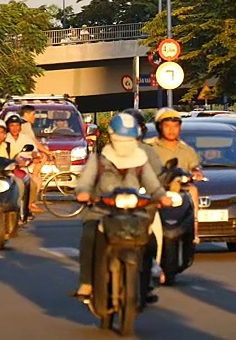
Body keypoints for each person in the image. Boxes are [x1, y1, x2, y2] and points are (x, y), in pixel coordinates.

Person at [72, 113, 172, 298]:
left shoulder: (141, 160)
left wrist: (162, 197)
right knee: (89, 237)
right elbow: (85, 182)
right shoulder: (98, 159)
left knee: (150, 241)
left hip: (134, 212)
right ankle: (86, 282)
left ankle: (146, 281)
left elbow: (152, 184)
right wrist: (83, 193)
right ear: (111, 136)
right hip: (102, 210)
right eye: (121, 139)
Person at [122, 108, 165, 297]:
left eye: (135, 126)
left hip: (143, 205)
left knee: (153, 236)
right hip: (113, 207)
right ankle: (89, 281)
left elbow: (160, 175)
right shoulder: (108, 151)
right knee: (92, 232)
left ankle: (150, 270)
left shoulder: (149, 152)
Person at [148, 107, 203, 243]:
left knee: (193, 191)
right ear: (159, 127)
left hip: (180, 189)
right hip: (155, 188)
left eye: (175, 126)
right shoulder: (150, 147)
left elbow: (195, 167)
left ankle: (193, 230)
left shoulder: (187, 150)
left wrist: (196, 173)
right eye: (167, 126)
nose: (171, 130)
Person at [5, 112, 43, 215]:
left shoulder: (25, 138)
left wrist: (35, 156)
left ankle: (28, 207)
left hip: (22, 169)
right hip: (6, 170)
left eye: (17, 125)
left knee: (32, 185)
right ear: (8, 127)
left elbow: (34, 150)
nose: (15, 128)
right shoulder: (4, 138)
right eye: (12, 125)